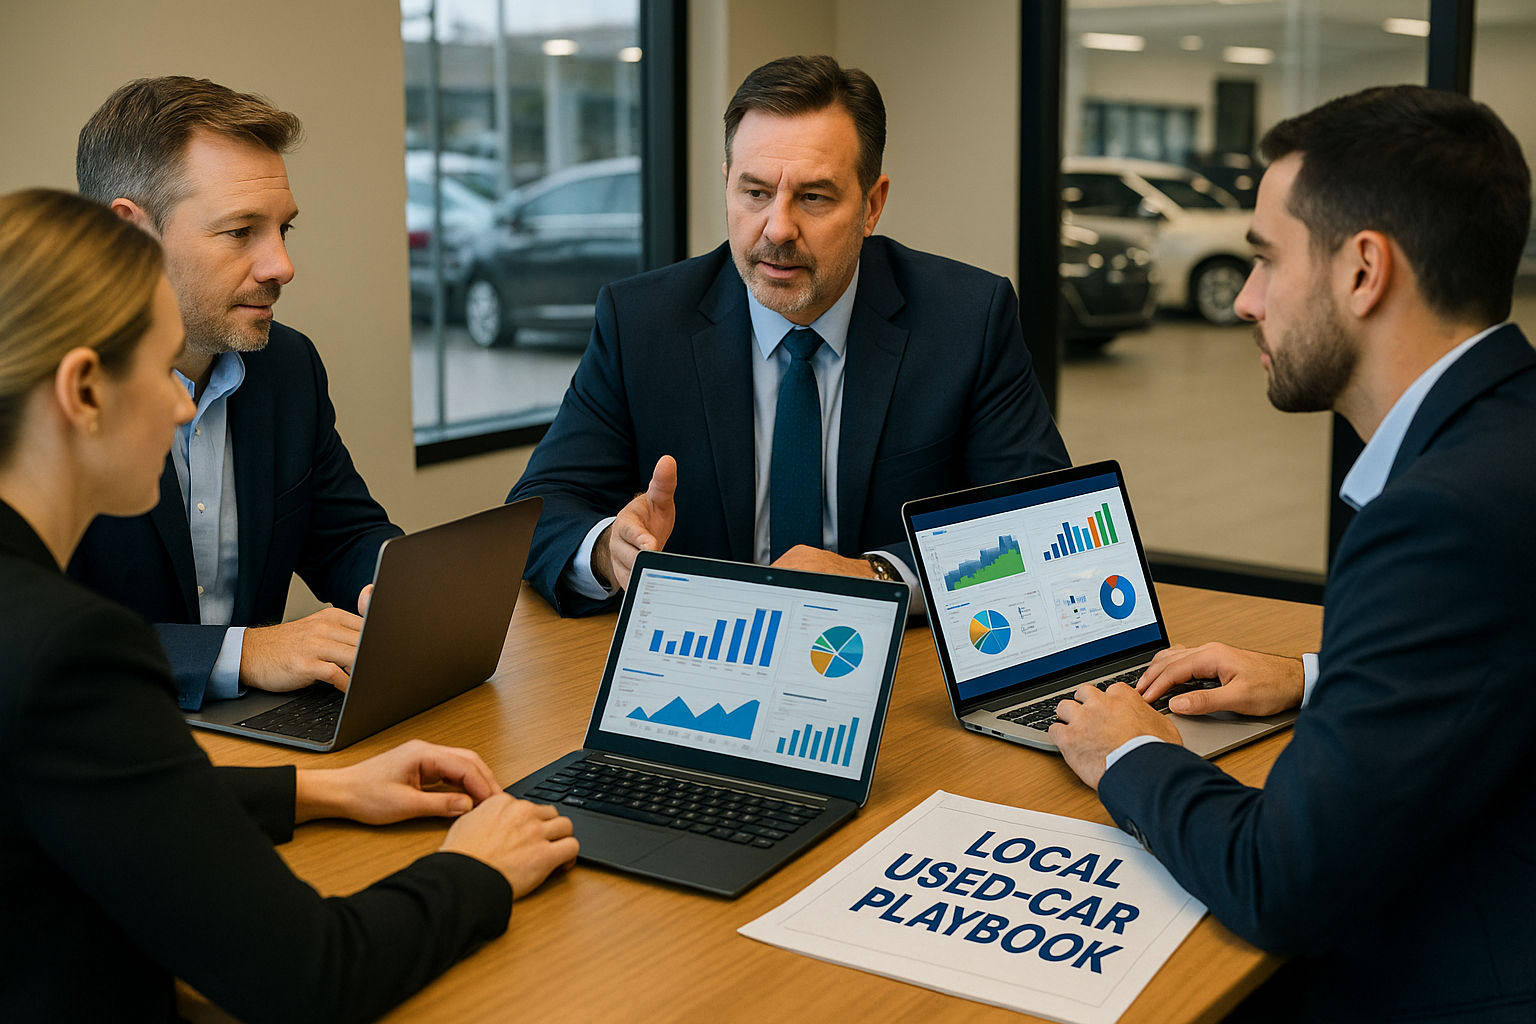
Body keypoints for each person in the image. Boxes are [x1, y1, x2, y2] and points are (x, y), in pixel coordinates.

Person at [0, 188, 578, 1023]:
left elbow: (94, 791)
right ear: (83, 391)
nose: (182, 406)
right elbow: (313, 974)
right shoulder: (70, 652)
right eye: (157, 375)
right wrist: (477, 868)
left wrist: (323, 792)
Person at [1048, 86, 1536, 1022]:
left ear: (1363, 271)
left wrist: (1134, 756)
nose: (1244, 300)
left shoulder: (1440, 517)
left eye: (1267, 259)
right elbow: (1496, 655)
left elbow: (1281, 883)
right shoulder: (1510, 432)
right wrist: (1314, 676)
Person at [508, 55, 1069, 617]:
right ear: (727, 183)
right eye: (754, 193)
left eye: (814, 197)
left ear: (872, 205)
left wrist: (877, 574)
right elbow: (538, 510)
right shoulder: (641, 322)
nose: (777, 228)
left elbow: (1042, 522)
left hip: (892, 664)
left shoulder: (967, 318)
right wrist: (609, 549)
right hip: (705, 661)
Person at [66, 76, 401, 710]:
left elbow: (344, 536)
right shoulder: (44, 395)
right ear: (129, 235)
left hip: (253, 740)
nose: (281, 265)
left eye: (283, 230)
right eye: (241, 231)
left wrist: (401, 587)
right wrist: (242, 651)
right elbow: (31, 632)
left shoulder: (286, 364)